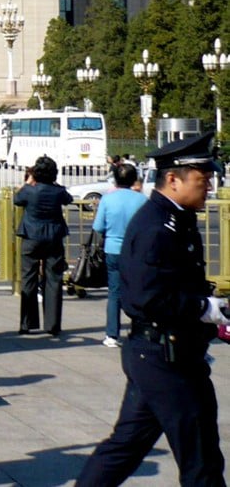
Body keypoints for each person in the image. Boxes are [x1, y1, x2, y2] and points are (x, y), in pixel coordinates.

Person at [77, 131, 229, 486]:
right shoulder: (156, 227)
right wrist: (204, 308)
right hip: (166, 357)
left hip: (163, 353)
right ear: (173, 180)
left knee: (125, 448)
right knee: (201, 458)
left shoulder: (175, 218)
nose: (208, 187)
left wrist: (211, 311)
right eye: (202, 180)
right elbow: (147, 298)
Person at [14, 155, 73, 336]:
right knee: (53, 279)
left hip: (31, 236)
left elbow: (17, 199)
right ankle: (52, 324)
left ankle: (27, 323)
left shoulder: (29, 191)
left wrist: (29, 181)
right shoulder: (58, 191)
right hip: (54, 237)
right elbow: (68, 199)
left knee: (29, 279)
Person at [91, 162, 146, 346]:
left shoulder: (108, 199)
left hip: (113, 249)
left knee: (114, 292)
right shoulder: (141, 200)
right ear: (133, 180)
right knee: (137, 291)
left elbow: (98, 226)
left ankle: (111, 335)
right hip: (135, 250)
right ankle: (139, 331)